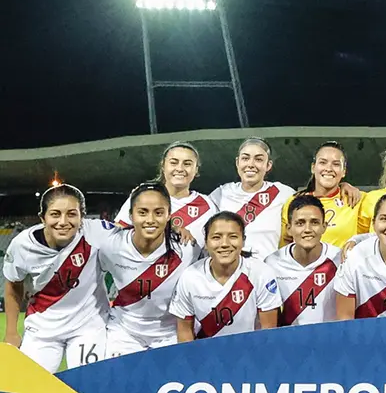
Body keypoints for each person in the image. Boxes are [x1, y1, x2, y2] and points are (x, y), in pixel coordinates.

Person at [3, 185, 116, 372]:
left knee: (87, 387)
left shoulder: (97, 232)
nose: (63, 222)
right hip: (43, 330)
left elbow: (136, 234)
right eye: (55, 214)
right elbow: (13, 286)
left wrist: (174, 230)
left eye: (72, 214)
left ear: (82, 217)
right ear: (42, 217)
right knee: (33, 390)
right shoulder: (22, 245)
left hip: (88, 326)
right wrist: (11, 332)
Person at [100, 183, 201, 357]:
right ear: (131, 216)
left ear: (169, 215)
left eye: (159, 213)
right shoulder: (110, 246)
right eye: (143, 212)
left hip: (170, 333)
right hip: (124, 332)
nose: (150, 219)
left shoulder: (187, 249)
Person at [169, 212, 281, 341]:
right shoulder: (190, 277)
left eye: (233, 236)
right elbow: (185, 332)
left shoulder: (261, 273)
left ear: (243, 240)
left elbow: (268, 332)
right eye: (216, 237)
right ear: (206, 242)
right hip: (206, 354)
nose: (224, 244)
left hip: (250, 353)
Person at [112, 141, 218, 247]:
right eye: (173, 162)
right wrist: (169, 230)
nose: (180, 169)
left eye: (187, 164)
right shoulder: (144, 195)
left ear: (196, 170)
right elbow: (117, 234)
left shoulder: (207, 206)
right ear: (163, 166)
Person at [209, 138, 297, 258]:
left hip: (269, 271)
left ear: (268, 165)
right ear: (237, 162)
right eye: (245, 158)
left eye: (258, 159)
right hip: (231, 271)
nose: (251, 164)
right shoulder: (220, 194)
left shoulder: (284, 193)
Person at [266, 195, 343, 326]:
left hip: (330, 341)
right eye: (300, 223)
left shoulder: (340, 259)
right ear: (289, 228)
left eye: (314, 222)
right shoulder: (272, 263)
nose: (307, 229)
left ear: (324, 226)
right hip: (290, 342)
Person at [279, 141, 365, 248]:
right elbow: (285, 243)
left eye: (336, 164)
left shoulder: (358, 199)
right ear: (313, 168)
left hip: (343, 264)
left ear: (343, 171)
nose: (329, 169)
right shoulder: (294, 201)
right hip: (305, 265)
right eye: (323, 162)